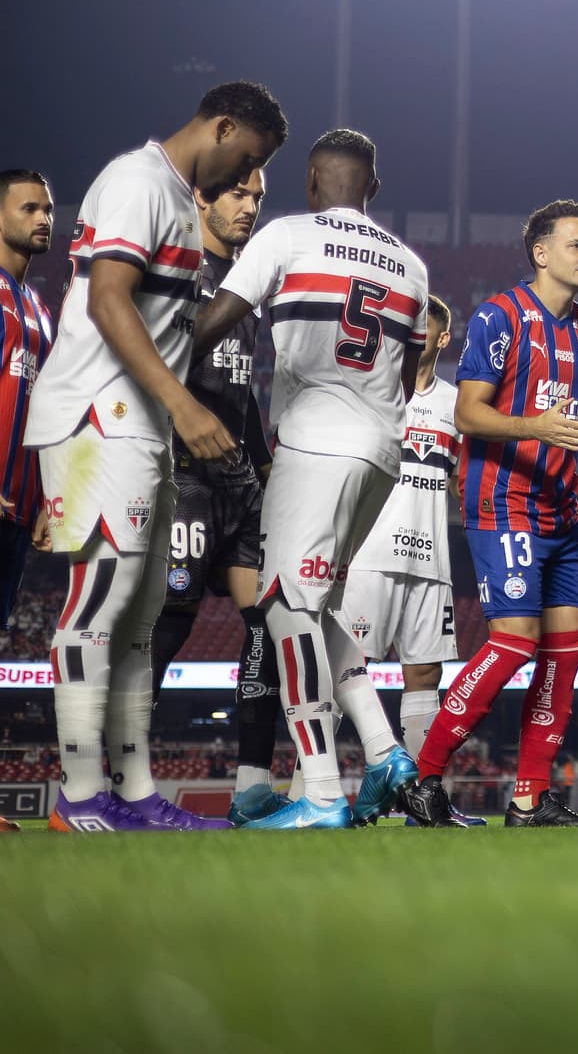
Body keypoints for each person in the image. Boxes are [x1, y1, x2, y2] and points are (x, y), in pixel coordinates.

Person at [28, 82, 285, 832]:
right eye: (248, 160)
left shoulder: (176, 198)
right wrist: (183, 403)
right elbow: (108, 299)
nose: (246, 179)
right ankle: (78, 796)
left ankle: (135, 794)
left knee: (140, 622)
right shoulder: (136, 180)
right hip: (94, 418)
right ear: (224, 125)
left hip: (142, 428)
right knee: (98, 605)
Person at [192, 129, 430, 829]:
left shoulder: (288, 235)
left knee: (286, 606)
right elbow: (412, 369)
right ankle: (386, 751)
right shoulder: (411, 265)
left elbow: (215, 321)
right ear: (373, 188)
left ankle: (322, 792)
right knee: (317, 602)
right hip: (383, 452)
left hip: (314, 443)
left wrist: (157, 359)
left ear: (311, 184)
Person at [398, 199, 578, 828]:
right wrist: (536, 426)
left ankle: (529, 799)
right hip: (503, 503)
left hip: (562, 510)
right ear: (541, 252)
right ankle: (423, 776)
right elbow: (467, 413)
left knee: (566, 653)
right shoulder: (498, 317)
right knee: (514, 641)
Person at [143, 169, 287, 826]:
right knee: (169, 623)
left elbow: (243, 390)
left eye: (257, 196)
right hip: (186, 474)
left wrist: (262, 465)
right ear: (202, 197)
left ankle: (252, 787)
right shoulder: (176, 271)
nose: (250, 207)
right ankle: (120, 781)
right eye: (238, 194)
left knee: (271, 622)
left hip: (238, 481)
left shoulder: (247, 286)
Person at [337, 295, 475, 785]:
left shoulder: (457, 404)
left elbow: (466, 480)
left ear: (441, 338)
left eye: (424, 329)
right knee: (345, 671)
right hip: (368, 556)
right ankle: (311, 788)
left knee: (425, 676)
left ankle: (424, 794)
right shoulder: (371, 390)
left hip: (431, 559)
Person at [0, 169, 56, 833]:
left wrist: (46, 497)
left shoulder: (37, 306)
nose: (44, 216)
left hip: (17, 506)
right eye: (29, 207)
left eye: (46, 207)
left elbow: (42, 415)